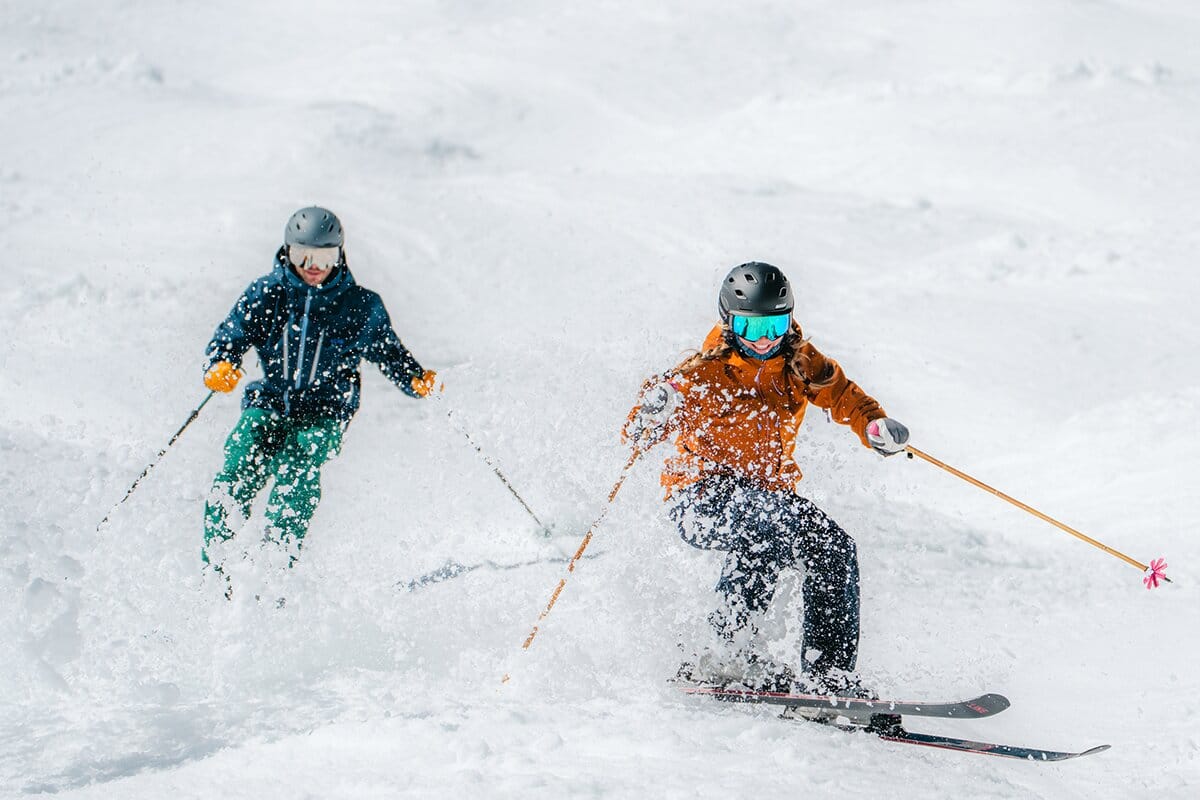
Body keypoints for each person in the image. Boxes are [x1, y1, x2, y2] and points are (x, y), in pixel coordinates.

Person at [624, 262, 909, 695]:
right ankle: (727, 654)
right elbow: (638, 434)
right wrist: (651, 413)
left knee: (832, 548)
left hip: (766, 496)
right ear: (729, 322)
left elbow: (842, 395)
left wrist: (873, 426)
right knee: (766, 526)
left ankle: (828, 677)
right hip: (700, 496)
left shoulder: (798, 362)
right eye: (751, 326)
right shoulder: (700, 373)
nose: (764, 339)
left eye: (777, 323)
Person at [200, 206, 436, 584]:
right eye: (302, 255)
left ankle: (273, 571)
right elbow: (232, 333)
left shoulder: (358, 306)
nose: (313, 266)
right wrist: (221, 363)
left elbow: (388, 350)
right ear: (288, 252)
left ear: (340, 254)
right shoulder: (268, 294)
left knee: (299, 466)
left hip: (325, 411)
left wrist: (415, 379)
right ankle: (217, 569)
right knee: (239, 464)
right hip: (271, 401)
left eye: (324, 257)